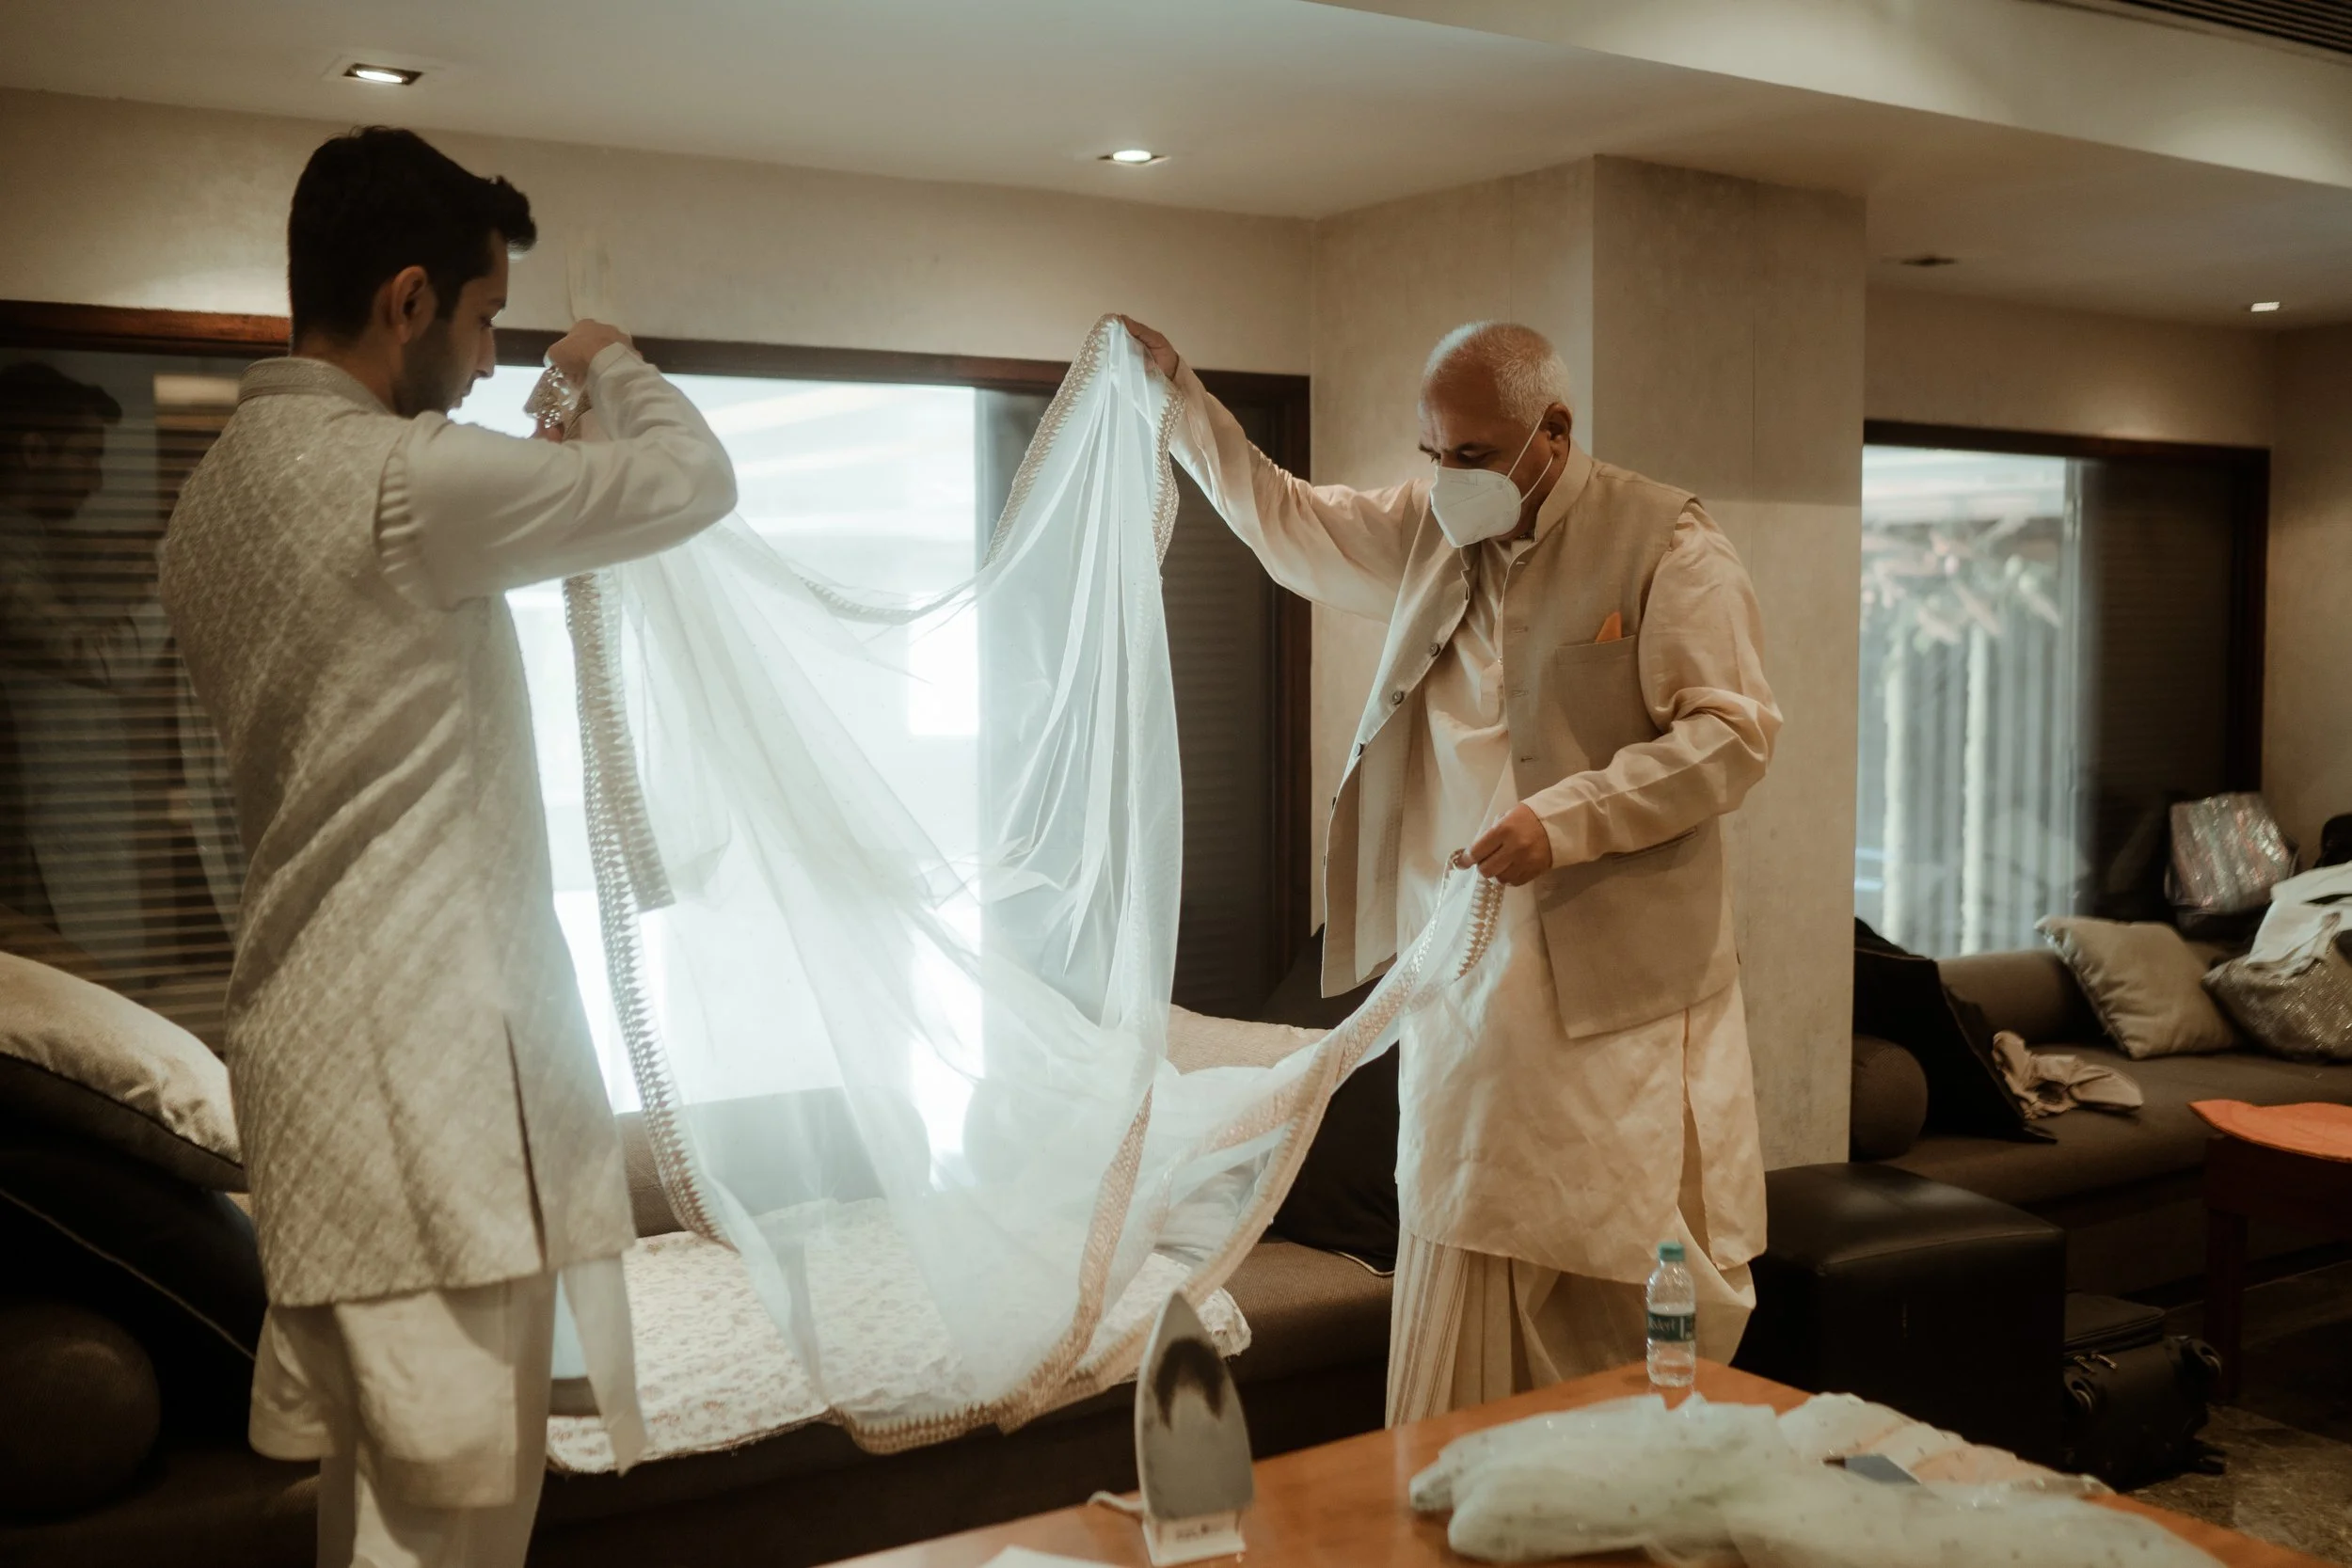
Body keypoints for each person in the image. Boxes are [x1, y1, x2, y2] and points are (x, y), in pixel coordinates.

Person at [160, 128, 736, 1567]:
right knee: (460, 1527)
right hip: (432, 1089)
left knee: (381, 1514)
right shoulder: (404, 481)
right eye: (482, 319)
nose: (489, 359)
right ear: (408, 300)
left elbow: (370, 687)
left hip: (313, 1064)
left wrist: (516, 485)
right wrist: (609, 359)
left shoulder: (212, 499)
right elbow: (692, 481)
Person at [1121, 316, 1775, 1423]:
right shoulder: (1432, 523)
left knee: (1611, 1253)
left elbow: (1731, 735)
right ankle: (1451, 1481)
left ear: (1551, 434)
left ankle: (1606, 1494)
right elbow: (1287, 517)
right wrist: (1178, 399)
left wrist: (1565, 816)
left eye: (1469, 454)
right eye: (1431, 451)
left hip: (1611, 977)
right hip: (1460, 958)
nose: (1443, 477)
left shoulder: (1669, 544)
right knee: (1458, 1208)